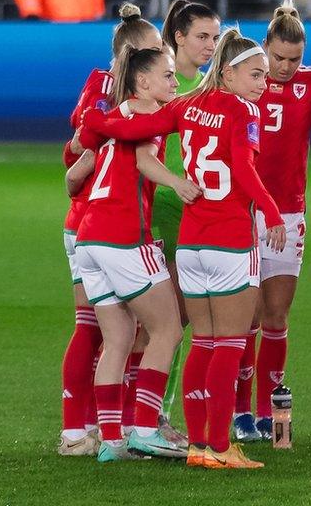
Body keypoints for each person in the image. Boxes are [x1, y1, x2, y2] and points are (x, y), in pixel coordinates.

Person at [82, 28, 287, 470]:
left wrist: (96, 121)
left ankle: (196, 445)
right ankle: (218, 445)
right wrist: (271, 212)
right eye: (255, 74)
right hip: (230, 239)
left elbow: (135, 126)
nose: (263, 84)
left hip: (191, 245)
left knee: (202, 344)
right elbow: (246, 171)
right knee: (229, 345)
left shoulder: (184, 105)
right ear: (228, 73)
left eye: (265, 76)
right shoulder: (243, 109)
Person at [70, 48, 203, 462]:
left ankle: (112, 442)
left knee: (118, 339)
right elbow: (145, 160)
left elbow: (74, 176)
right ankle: (146, 428)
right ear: (142, 82)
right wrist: (176, 183)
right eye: (167, 76)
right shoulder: (148, 119)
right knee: (168, 331)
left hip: (87, 238)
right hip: (126, 237)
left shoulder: (113, 116)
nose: (174, 83)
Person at [232, 0, 311, 442]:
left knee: (276, 316)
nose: (285, 67)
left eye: (294, 59)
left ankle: (266, 412)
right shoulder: (241, 82)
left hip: (289, 214)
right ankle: (240, 412)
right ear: (265, 47)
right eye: (278, 58)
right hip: (241, 210)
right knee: (245, 316)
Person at [57, 3, 162, 457]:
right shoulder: (103, 87)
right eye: (155, 53)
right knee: (97, 329)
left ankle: (109, 429)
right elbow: (75, 150)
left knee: (123, 331)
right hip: (93, 222)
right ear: (133, 60)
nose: (164, 61)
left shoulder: (131, 100)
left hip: (107, 223)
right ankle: (77, 430)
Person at [152, 0, 222, 438]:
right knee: (156, 321)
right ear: (178, 37)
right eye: (202, 36)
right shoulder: (164, 82)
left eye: (214, 38)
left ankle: (154, 411)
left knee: (174, 318)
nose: (210, 46)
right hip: (162, 205)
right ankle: (141, 413)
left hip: (195, 211)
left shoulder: (211, 85)